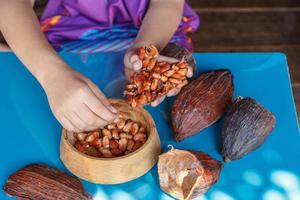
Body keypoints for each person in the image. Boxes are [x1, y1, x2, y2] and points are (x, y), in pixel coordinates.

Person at [0, 0, 199, 132]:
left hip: (153, 32)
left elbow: (167, 4)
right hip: (73, 35)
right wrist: (51, 74)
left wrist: (143, 50)